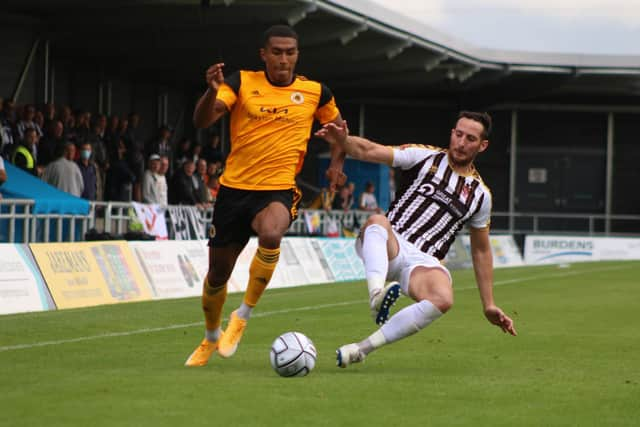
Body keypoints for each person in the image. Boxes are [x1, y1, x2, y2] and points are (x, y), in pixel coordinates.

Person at [185, 24, 347, 367]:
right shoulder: (241, 82)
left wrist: (335, 164)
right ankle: (211, 335)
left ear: (297, 54)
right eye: (277, 52)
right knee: (217, 276)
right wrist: (209, 91)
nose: (283, 59)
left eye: (290, 52)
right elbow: (202, 121)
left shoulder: (317, 92)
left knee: (272, 232)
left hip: (278, 188)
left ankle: (242, 316)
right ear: (264, 54)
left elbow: (339, 133)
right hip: (233, 190)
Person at [314, 111, 516, 369]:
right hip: (391, 243)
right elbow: (369, 150)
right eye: (458, 134)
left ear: (482, 145)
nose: (461, 142)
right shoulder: (424, 156)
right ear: (452, 133)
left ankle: (362, 349)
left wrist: (489, 304)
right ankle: (376, 294)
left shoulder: (480, 195)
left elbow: (481, 251)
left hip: (424, 262)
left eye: (471, 139)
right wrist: (344, 140)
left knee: (444, 298)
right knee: (377, 220)